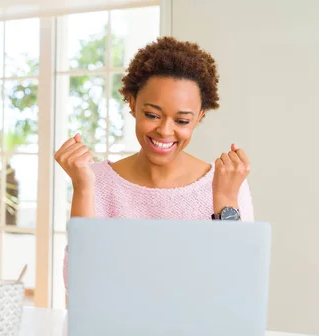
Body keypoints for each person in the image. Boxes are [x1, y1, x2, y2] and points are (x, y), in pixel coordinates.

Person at [55, 36, 254, 288]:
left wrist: (225, 202)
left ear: (199, 116)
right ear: (132, 102)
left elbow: (238, 285)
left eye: (182, 121)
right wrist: (83, 187)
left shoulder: (226, 183)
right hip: (116, 327)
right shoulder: (95, 181)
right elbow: (79, 286)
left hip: (198, 328)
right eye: (152, 115)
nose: (165, 131)